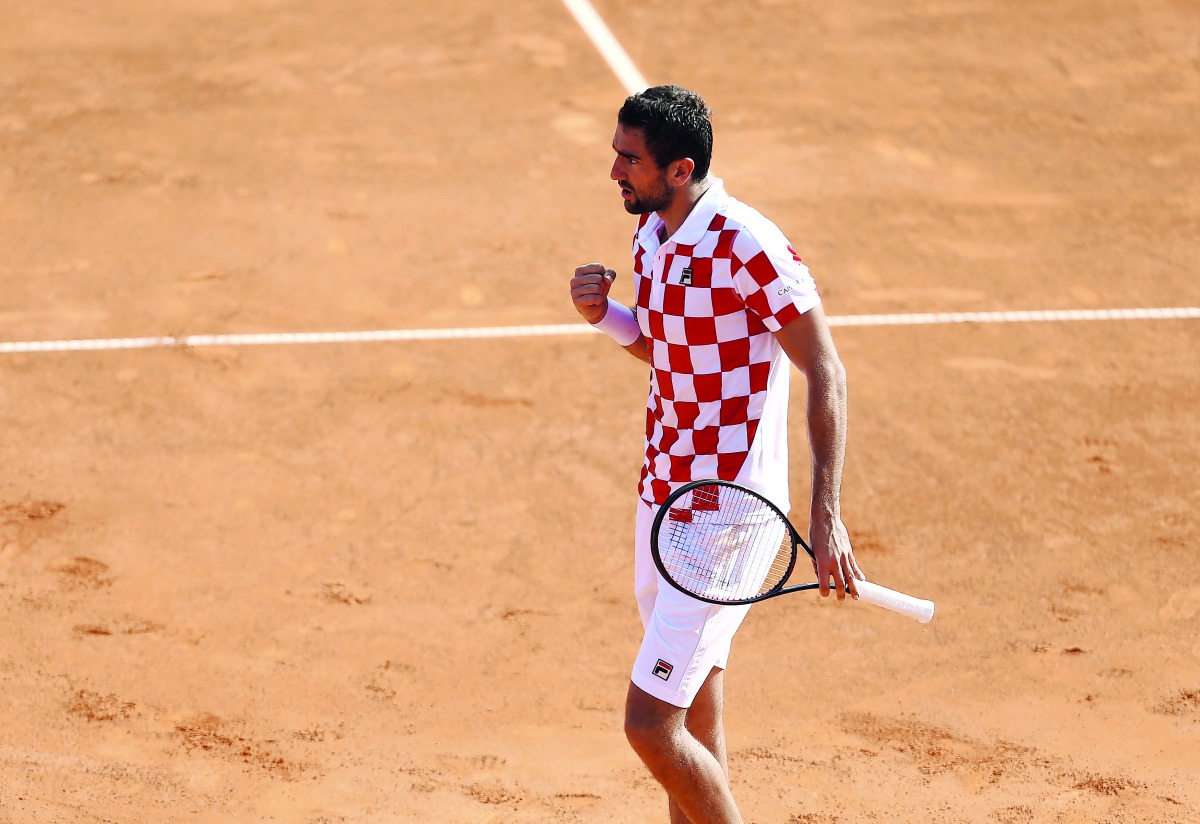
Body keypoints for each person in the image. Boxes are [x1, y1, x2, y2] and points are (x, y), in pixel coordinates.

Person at [569, 85, 864, 824]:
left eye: (628, 159)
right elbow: (674, 355)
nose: (613, 171)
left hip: (728, 514)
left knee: (650, 726)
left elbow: (824, 368)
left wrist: (827, 516)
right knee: (694, 720)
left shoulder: (748, 244)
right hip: (662, 494)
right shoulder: (654, 236)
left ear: (680, 169)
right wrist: (605, 316)